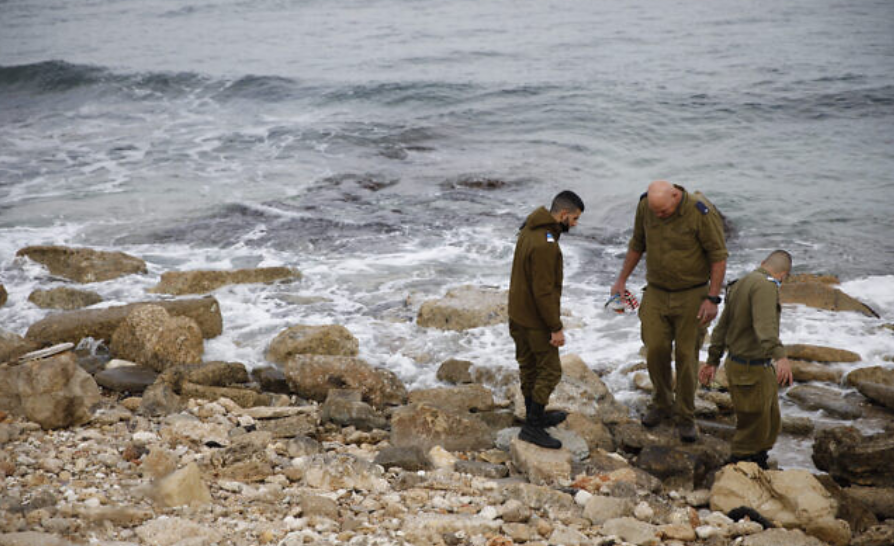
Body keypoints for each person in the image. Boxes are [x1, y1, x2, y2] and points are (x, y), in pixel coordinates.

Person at [611, 180, 728, 442]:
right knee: (655, 349)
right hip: (656, 291)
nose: (659, 216)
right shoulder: (646, 207)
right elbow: (637, 244)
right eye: (656, 212)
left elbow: (718, 256)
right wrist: (621, 280)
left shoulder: (700, 212)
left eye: (663, 211)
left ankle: (685, 415)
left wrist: (712, 298)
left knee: (687, 357)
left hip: (692, 294)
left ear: (676, 196)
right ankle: (662, 403)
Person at [699, 250, 794, 469]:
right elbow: (765, 328)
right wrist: (781, 357)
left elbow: (722, 327)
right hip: (750, 367)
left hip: (743, 364)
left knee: (767, 422)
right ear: (783, 275)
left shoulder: (741, 283)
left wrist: (713, 360)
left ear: (763, 263)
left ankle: (757, 462)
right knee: (752, 427)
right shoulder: (766, 287)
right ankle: (737, 469)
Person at [509, 190, 584, 449]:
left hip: (518, 314)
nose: (575, 224)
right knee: (550, 371)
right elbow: (543, 291)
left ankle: (535, 416)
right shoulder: (545, 243)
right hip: (535, 320)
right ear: (563, 214)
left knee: (528, 366)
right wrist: (555, 327)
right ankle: (532, 427)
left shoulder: (530, 229)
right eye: (574, 219)